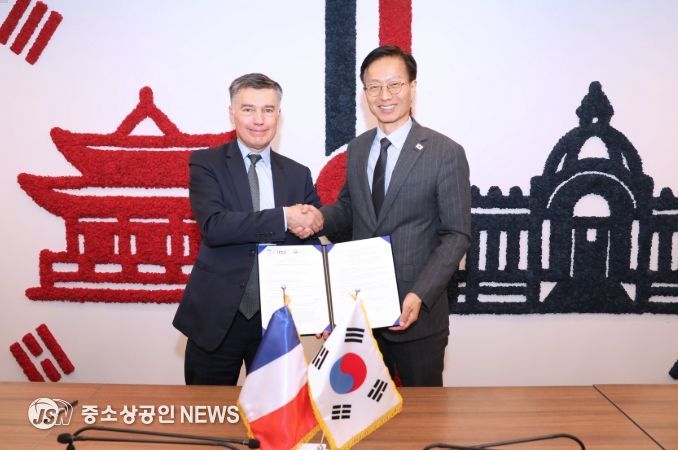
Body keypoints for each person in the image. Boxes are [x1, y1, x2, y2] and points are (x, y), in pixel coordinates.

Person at [302, 46, 471, 386]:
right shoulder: (358, 148)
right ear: (364, 93)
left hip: (417, 314)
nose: (384, 96)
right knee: (358, 408)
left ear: (413, 87)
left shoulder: (445, 152)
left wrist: (420, 294)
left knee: (423, 415)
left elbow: (456, 234)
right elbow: (350, 209)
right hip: (361, 314)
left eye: (395, 85)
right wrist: (316, 218)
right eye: (374, 87)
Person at [173, 73, 322, 385]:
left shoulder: (298, 174)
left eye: (268, 110)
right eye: (248, 109)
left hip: (276, 322)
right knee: (206, 411)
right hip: (216, 319)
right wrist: (283, 218)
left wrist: (321, 309)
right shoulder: (206, 164)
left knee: (275, 412)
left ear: (279, 115)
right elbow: (215, 226)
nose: (259, 120)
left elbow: (310, 243)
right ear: (232, 113)